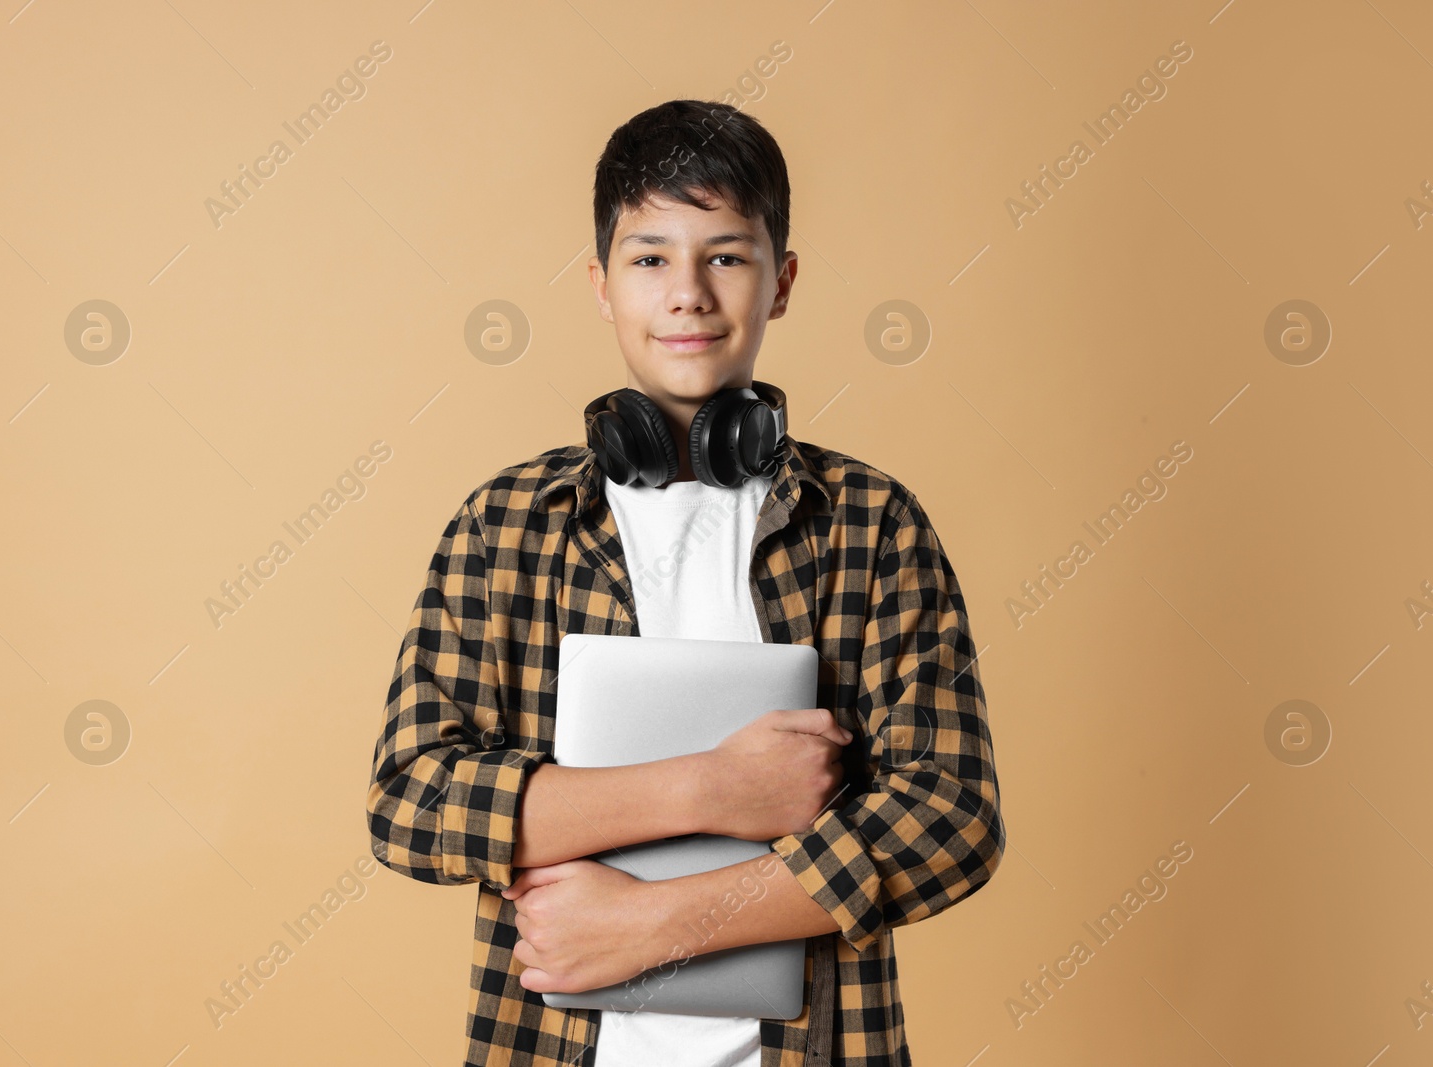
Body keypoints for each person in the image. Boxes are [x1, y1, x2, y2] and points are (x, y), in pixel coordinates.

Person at [366, 99, 1006, 1067]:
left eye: (726, 255)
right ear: (600, 283)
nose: (688, 293)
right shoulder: (506, 525)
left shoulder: (872, 524)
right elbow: (411, 799)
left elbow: (951, 814)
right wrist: (715, 786)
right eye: (650, 256)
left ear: (780, 280)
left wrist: (658, 922)